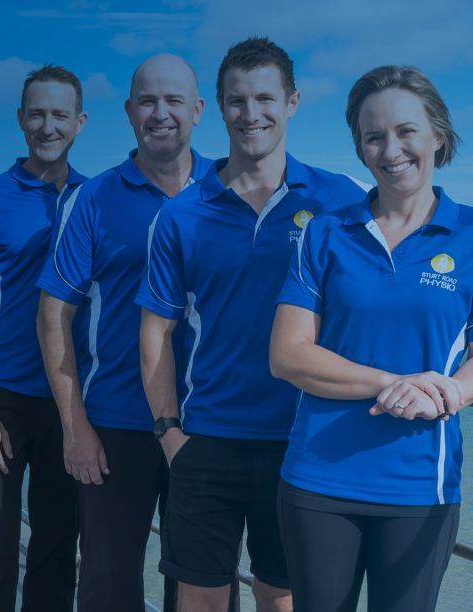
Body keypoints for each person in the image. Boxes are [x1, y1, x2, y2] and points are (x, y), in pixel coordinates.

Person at [268, 65, 473, 612]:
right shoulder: (326, 232)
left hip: (420, 485)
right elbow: (288, 355)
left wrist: (450, 392)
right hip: (318, 480)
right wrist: (396, 384)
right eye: (373, 136)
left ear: (438, 136)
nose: (391, 148)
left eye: (406, 131)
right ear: (360, 149)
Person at [136, 37, 366, 612]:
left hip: (302, 441)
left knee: (281, 598)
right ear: (218, 107)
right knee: (199, 601)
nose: (251, 114)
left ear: (291, 101)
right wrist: (169, 433)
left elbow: (380, 300)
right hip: (206, 440)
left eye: (265, 98)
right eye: (237, 101)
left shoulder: (340, 201)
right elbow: (156, 330)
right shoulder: (182, 213)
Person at [36, 53, 214, 611]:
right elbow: (53, 315)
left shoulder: (230, 190)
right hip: (115, 426)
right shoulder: (95, 198)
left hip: (211, 426)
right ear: (129, 111)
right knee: (110, 586)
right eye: (147, 101)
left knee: (203, 587)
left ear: (198, 110)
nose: (160, 113)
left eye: (173, 100)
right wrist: (75, 429)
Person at [0, 64, 90, 612]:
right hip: (3, 400)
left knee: (58, 550)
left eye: (60, 114)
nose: (48, 125)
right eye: (37, 113)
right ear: (19, 120)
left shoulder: (93, 197)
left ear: (80, 122)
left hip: (70, 402)